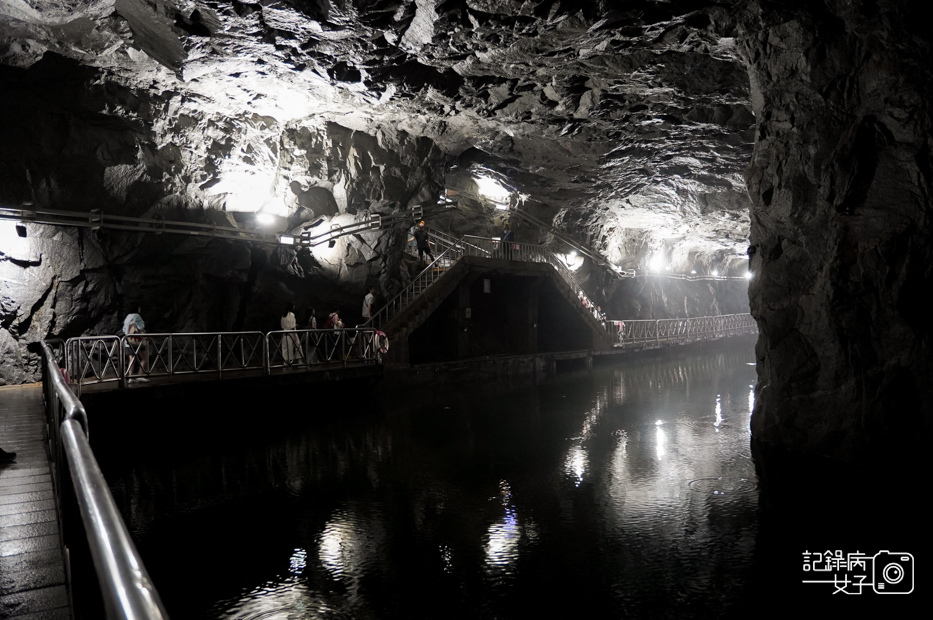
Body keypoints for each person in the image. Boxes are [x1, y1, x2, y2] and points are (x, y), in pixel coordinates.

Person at [123, 306, 149, 382]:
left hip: (128, 341)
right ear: (137, 309)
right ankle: (140, 375)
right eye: (139, 308)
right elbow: (141, 327)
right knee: (144, 358)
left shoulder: (127, 317)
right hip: (137, 341)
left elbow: (124, 329)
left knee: (131, 359)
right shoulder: (137, 316)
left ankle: (130, 377)